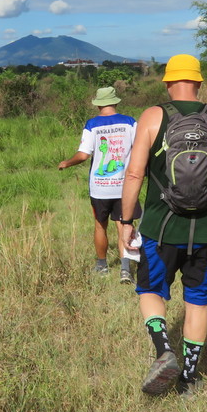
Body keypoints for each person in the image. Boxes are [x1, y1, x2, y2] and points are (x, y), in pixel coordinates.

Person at [120, 54, 207, 397]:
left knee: (151, 290)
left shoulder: (152, 117)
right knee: (197, 303)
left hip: (160, 229)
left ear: (167, 82)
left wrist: (126, 220)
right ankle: (189, 379)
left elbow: (134, 174)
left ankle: (164, 349)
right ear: (199, 83)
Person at [59, 87, 141, 283]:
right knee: (124, 225)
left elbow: (83, 155)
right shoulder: (130, 122)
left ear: (98, 105)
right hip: (125, 187)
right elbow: (140, 150)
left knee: (99, 225)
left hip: (100, 188)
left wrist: (67, 163)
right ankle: (125, 269)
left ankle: (102, 266)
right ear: (116, 102)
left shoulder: (92, 125)